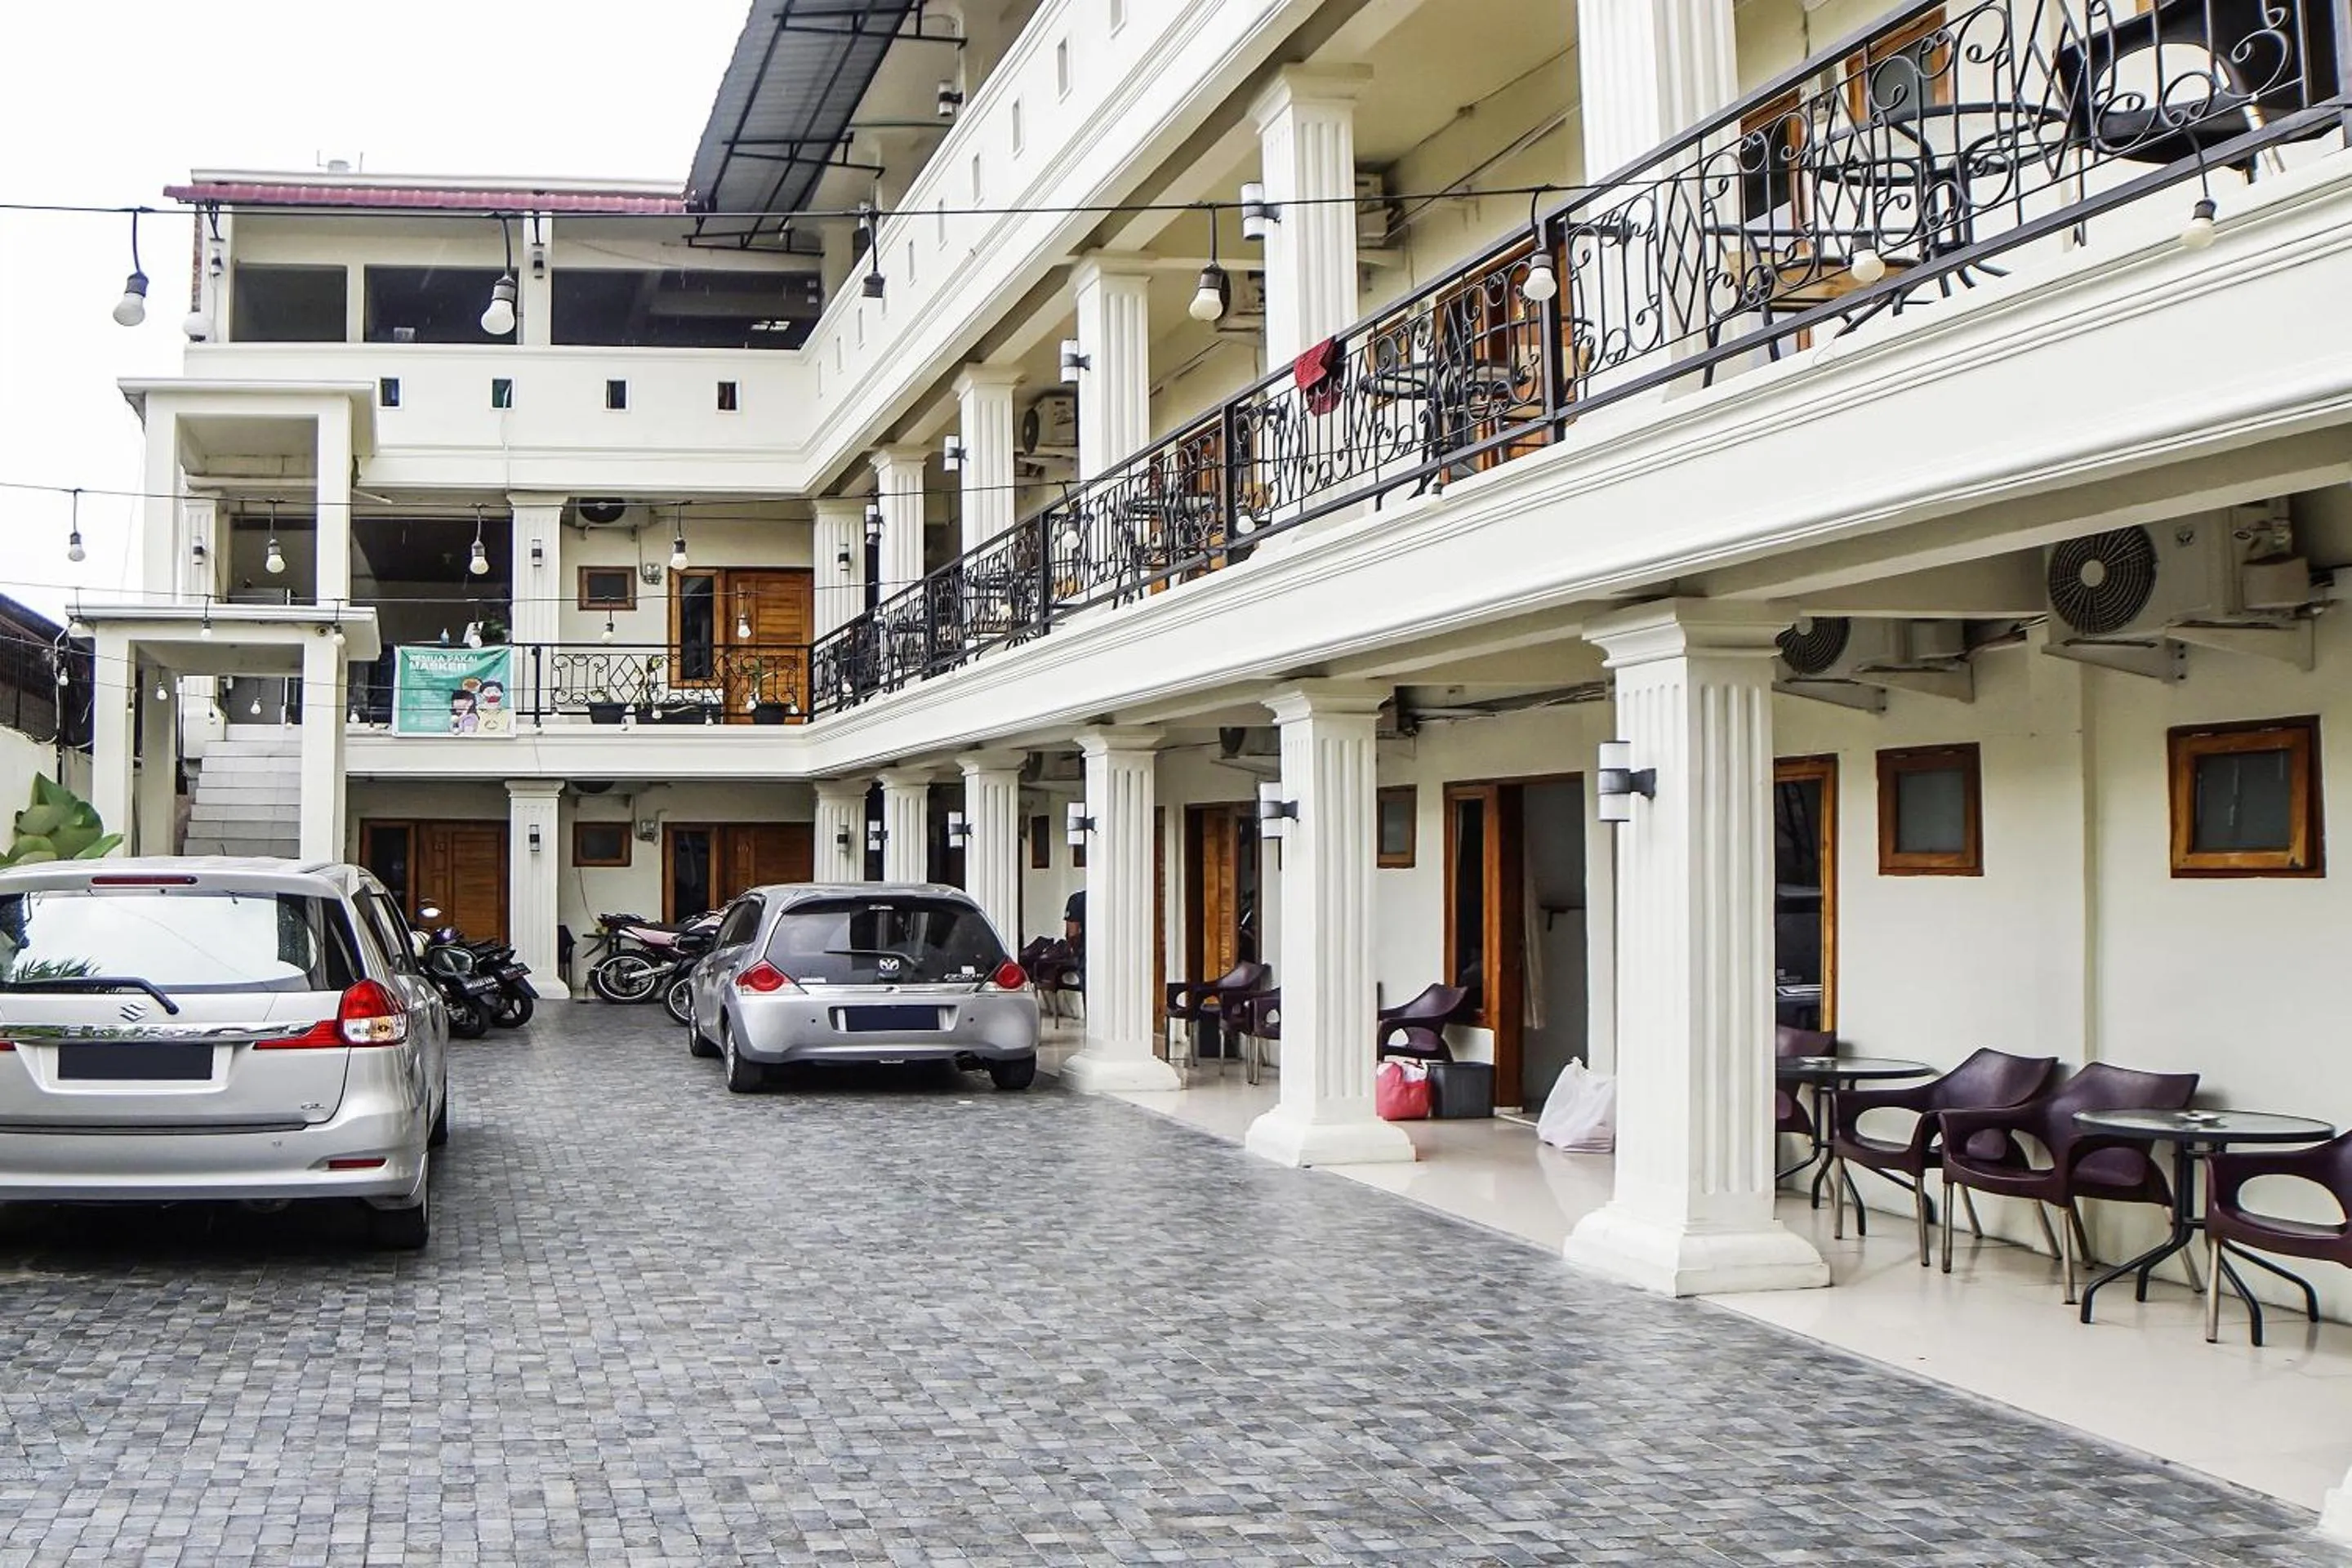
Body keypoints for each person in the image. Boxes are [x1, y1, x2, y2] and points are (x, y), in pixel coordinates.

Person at [1062, 888, 1085, 960]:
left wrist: (1076, 953)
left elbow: (1073, 934)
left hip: (1085, 956)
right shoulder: (1116, 899)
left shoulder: (1077, 899)